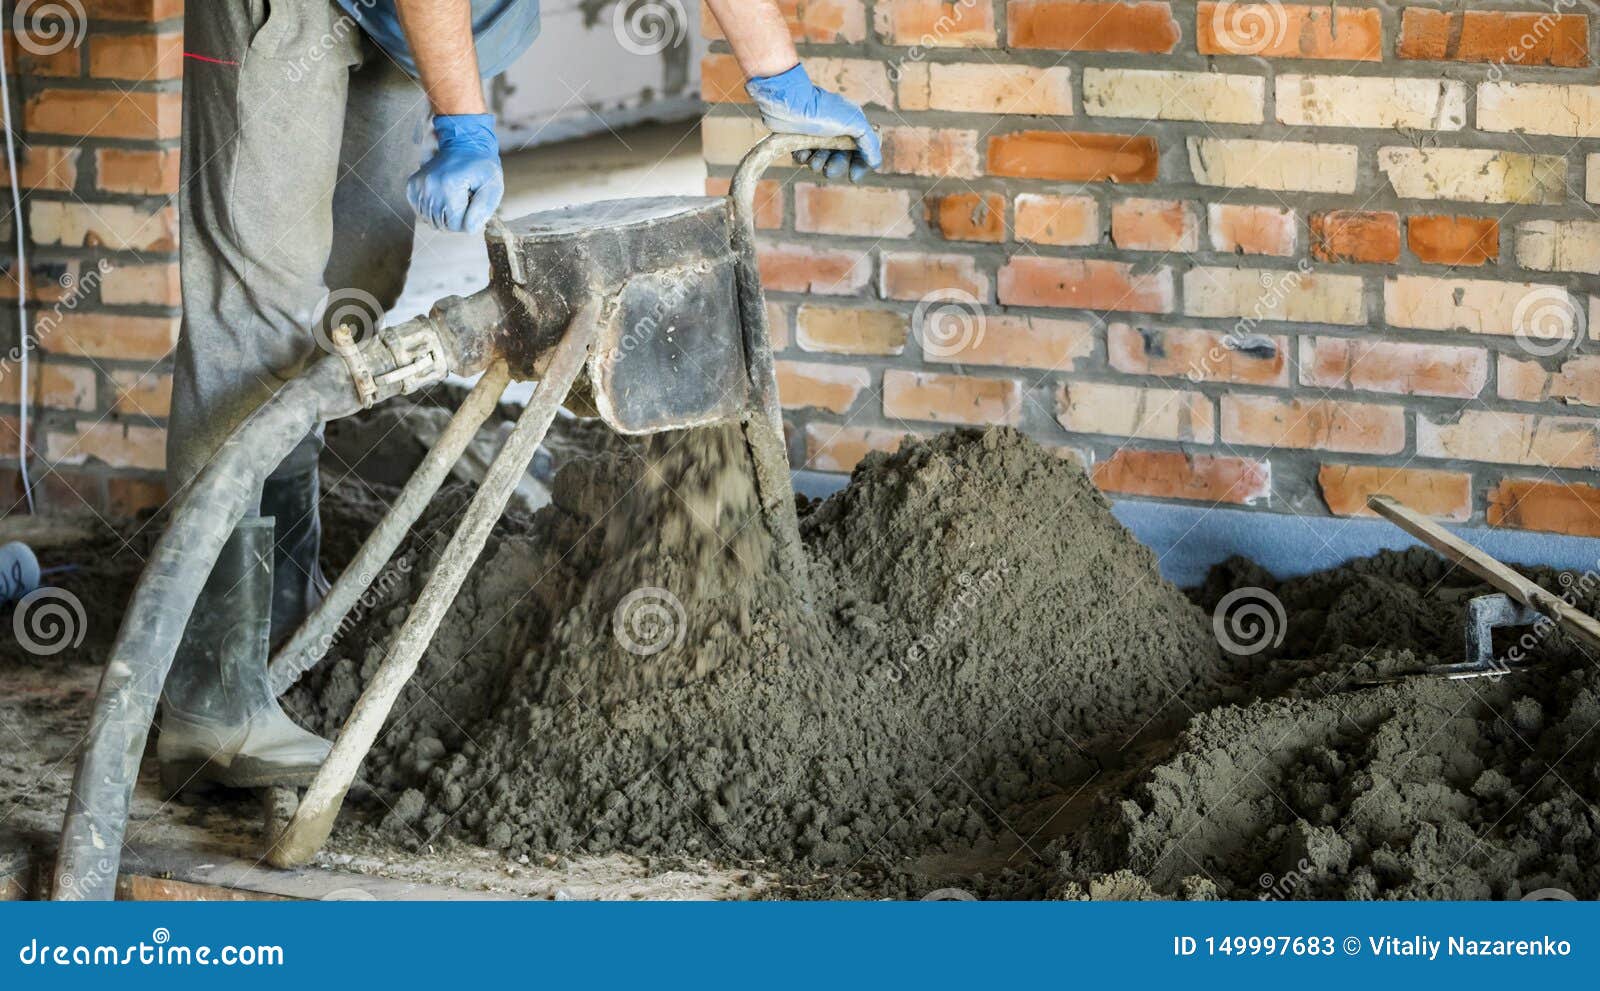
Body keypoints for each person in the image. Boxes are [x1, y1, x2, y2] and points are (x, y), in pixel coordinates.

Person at [159, 0, 882, 792]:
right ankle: (212, 696)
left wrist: (781, 77)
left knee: (349, 290)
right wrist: (465, 127)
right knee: (258, 304)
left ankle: (283, 612)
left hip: (394, 21)